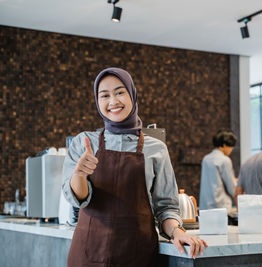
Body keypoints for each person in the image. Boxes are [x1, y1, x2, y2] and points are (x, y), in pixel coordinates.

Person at [62, 67, 207, 267]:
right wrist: (79, 174)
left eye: (120, 92)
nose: (113, 102)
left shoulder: (156, 148)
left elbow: (166, 207)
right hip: (88, 255)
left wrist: (177, 232)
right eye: (104, 95)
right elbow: (77, 199)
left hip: (137, 255)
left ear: (132, 94)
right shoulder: (84, 142)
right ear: (97, 102)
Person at [199, 129, 237, 214]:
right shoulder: (225, 160)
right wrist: (236, 182)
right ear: (224, 145)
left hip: (205, 208)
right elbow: (232, 189)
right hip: (221, 207)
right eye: (231, 147)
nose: (231, 150)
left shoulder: (206, 159)